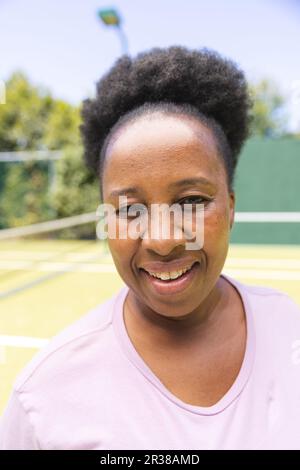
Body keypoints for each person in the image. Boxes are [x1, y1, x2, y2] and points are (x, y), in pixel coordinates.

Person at [1, 46, 300, 450]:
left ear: (230, 208)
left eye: (191, 202)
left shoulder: (290, 332)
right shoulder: (42, 397)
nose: (162, 240)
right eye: (130, 209)